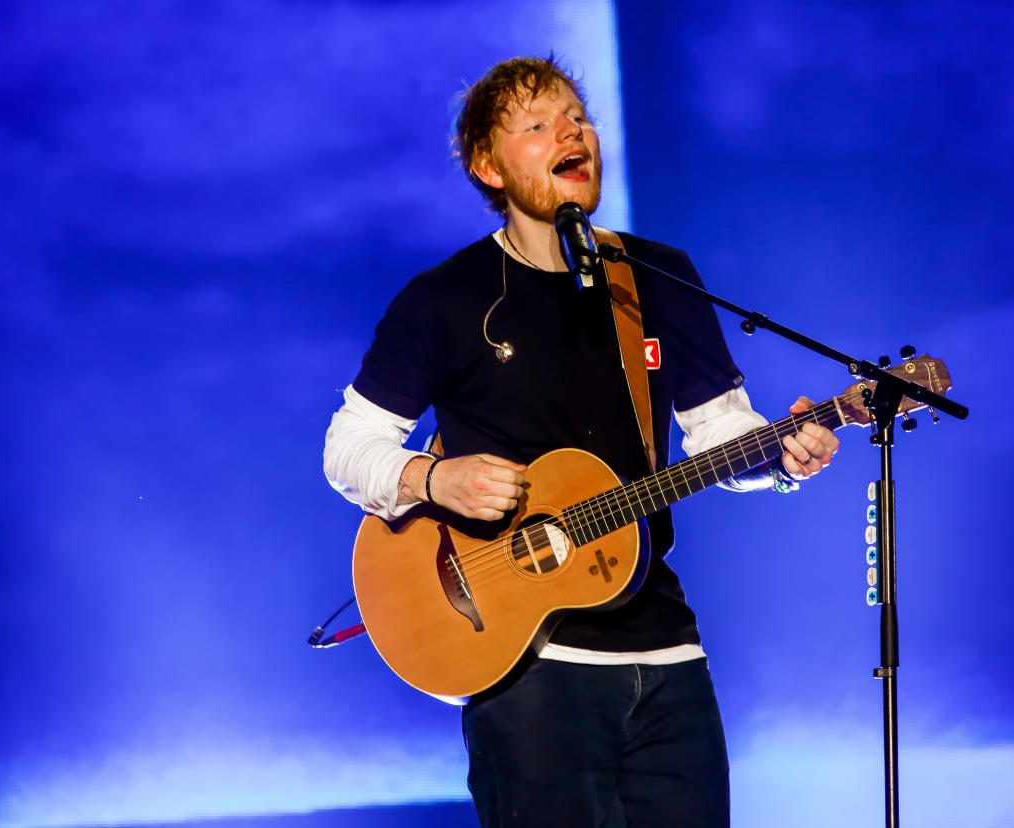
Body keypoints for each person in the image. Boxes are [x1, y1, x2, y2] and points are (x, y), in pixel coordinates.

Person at [323, 56, 839, 828]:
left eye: (576, 117)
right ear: (486, 166)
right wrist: (436, 481)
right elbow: (348, 447)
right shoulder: (444, 299)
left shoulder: (657, 277)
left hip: (667, 654)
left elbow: (720, 432)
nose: (571, 131)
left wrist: (779, 456)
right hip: (527, 665)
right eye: (537, 125)